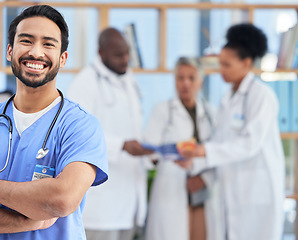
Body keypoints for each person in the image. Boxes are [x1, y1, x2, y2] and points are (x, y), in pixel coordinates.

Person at [0, 5, 108, 240]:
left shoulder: (80, 127)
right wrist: (26, 222)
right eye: (26, 41)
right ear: (10, 51)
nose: (36, 53)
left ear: (63, 58)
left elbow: (62, 199)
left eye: (48, 44)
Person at [179, 23, 285, 240]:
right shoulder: (227, 99)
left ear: (246, 63)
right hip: (232, 193)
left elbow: (249, 144)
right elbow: (221, 143)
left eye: (227, 65)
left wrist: (203, 152)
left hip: (257, 192)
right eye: (220, 64)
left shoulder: (262, 96)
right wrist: (197, 164)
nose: (221, 70)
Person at [68, 27, 152, 240]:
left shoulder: (128, 80)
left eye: (127, 53)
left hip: (129, 201)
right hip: (100, 208)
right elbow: (77, 133)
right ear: (101, 53)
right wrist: (121, 145)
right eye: (118, 55)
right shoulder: (86, 82)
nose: (125, 60)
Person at [144, 57, 220, 240]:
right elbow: (148, 151)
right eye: (180, 78)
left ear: (200, 82)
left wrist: (204, 178)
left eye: (191, 78)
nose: (186, 83)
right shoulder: (162, 111)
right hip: (172, 189)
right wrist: (158, 155)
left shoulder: (211, 113)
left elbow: (218, 153)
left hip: (202, 195)